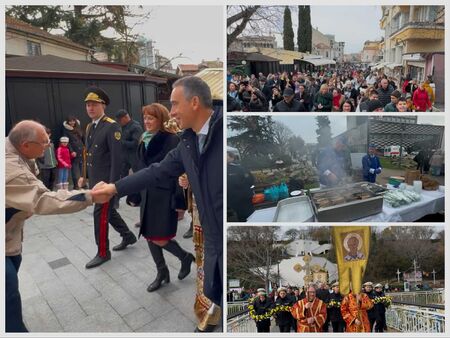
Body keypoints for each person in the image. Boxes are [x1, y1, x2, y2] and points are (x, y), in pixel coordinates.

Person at [91, 76, 223, 321]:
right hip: (214, 241)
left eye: (174, 104)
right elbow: (157, 171)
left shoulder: (226, 130)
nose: (171, 112)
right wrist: (114, 187)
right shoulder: (187, 141)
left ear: (194, 102)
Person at [5, 120, 101, 332]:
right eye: (44, 142)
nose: (48, 145)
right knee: (8, 297)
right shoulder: (10, 169)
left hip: (10, 238)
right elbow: (44, 200)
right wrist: (90, 196)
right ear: (26, 145)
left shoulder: (16, 151)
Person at [127, 103, 193, 292]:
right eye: (145, 117)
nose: (147, 121)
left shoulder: (171, 139)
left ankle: (184, 257)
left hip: (165, 195)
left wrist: (179, 202)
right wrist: (134, 193)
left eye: (151, 118)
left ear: (161, 119)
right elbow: (140, 170)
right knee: (149, 235)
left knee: (160, 237)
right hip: (147, 193)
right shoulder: (144, 139)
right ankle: (162, 272)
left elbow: (178, 172)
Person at [78, 86, 137, 269]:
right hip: (95, 181)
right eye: (88, 105)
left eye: (94, 104)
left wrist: (112, 185)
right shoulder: (89, 127)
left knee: (100, 215)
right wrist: (84, 176)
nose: (90, 108)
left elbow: (116, 158)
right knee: (108, 212)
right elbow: (88, 154)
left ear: (103, 105)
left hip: (106, 183)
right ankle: (128, 235)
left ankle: (103, 252)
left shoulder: (112, 126)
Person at [227, 149, 255, 222]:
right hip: (232, 199)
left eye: (225, 156)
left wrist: (248, 190)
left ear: (231, 157)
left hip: (243, 197)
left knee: (250, 216)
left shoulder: (239, 167)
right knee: (240, 217)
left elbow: (250, 180)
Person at [115, 109, 143, 178]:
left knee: (138, 174)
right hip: (124, 155)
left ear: (125, 118)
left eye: (120, 120)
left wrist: (121, 142)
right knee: (123, 174)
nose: (119, 123)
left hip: (134, 155)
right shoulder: (122, 127)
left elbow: (136, 143)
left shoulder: (135, 127)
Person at [62, 116, 84, 189]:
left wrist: (85, 147)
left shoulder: (78, 128)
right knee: (75, 169)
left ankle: (82, 184)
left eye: (73, 121)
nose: (72, 122)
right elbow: (67, 142)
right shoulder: (66, 130)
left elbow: (82, 138)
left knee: (82, 168)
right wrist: (71, 151)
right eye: (70, 121)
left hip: (81, 150)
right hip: (74, 151)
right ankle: (76, 185)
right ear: (68, 122)